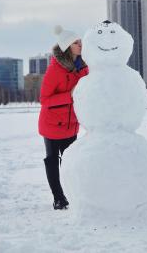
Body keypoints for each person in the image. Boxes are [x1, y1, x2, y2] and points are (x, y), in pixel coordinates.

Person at [38, 25, 89, 210]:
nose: (80, 45)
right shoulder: (55, 70)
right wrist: (70, 95)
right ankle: (58, 197)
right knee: (53, 160)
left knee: (70, 161)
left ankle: (73, 195)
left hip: (71, 124)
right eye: (76, 43)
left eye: (81, 41)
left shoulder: (84, 68)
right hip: (52, 124)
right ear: (67, 46)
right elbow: (44, 99)